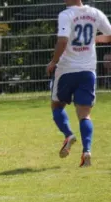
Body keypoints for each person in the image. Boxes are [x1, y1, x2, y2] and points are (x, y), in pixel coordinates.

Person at [47, 0, 111, 167]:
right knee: (84, 114)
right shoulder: (95, 13)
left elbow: (62, 41)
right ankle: (87, 151)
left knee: (57, 106)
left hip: (67, 69)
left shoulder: (66, 14)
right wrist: (92, 40)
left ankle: (68, 135)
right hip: (88, 70)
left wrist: (53, 62)